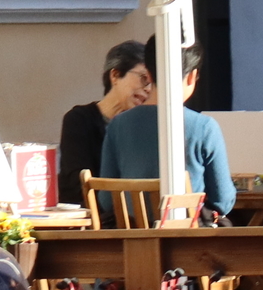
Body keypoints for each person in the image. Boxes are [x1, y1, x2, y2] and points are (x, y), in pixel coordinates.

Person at [97, 40, 235, 219]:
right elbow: (223, 201)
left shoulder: (117, 125)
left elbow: (106, 199)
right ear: (192, 77)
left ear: (148, 73)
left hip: (130, 238)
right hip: (187, 238)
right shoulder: (204, 127)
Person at [57, 40, 151, 207]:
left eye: (153, 82)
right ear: (115, 75)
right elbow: (76, 182)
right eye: (144, 78)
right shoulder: (79, 119)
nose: (148, 89)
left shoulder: (144, 125)